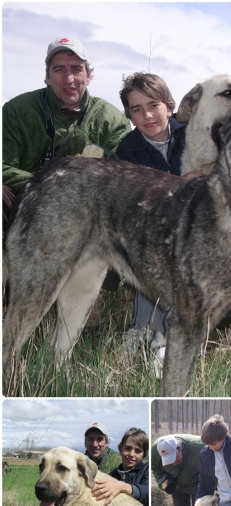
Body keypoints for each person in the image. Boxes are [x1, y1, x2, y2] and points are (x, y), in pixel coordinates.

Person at [2, 37, 131, 315]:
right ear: (47, 77)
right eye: (59, 69)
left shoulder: (112, 120)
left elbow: (127, 174)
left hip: (87, 218)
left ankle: (86, 304)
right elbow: (3, 165)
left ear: (89, 75)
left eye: (76, 68)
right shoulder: (16, 111)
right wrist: (52, 192)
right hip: (24, 206)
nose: (69, 77)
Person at [116, 72, 202, 377]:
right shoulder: (127, 150)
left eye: (153, 105)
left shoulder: (193, 132)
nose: (147, 115)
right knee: (158, 254)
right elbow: (137, 202)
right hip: (153, 227)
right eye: (136, 110)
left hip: (199, 226)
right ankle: (143, 333)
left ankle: (159, 339)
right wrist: (180, 183)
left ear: (169, 105)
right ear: (129, 115)